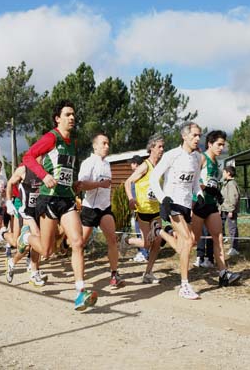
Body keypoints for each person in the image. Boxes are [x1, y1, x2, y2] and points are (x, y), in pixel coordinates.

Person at [22, 99, 97, 311]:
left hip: (66, 197)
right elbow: (28, 157)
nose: (72, 118)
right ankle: (26, 237)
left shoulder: (72, 142)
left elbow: (65, 169)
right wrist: (44, 175)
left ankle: (80, 293)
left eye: (73, 114)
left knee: (77, 241)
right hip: (49, 198)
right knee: (47, 251)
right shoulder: (51, 137)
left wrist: (72, 182)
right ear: (58, 118)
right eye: (67, 114)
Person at [149, 122, 205, 299]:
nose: (197, 139)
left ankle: (160, 232)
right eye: (194, 135)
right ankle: (185, 285)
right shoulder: (172, 155)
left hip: (187, 205)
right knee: (188, 241)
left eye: (199, 136)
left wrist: (200, 194)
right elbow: (153, 178)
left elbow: (195, 182)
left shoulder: (197, 158)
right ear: (184, 136)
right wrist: (163, 199)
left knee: (188, 244)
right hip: (172, 204)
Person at [191, 130, 241, 287]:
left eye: (223, 145)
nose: (221, 148)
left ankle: (223, 274)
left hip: (211, 206)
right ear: (209, 144)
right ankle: (168, 234)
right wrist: (206, 188)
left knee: (218, 237)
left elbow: (212, 182)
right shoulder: (201, 158)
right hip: (198, 204)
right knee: (192, 240)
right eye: (219, 144)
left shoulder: (216, 164)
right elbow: (192, 180)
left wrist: (217, 192)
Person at [78, 132, 124, 289]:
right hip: (90, 208)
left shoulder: (107, 164)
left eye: (108, 143)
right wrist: (99, 184)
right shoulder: (88, 162)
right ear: (95, 145)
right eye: (104, 143)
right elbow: (81, 184)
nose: (107, 146)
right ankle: (79, 278)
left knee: (112, 239)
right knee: (79, 244)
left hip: (105, 208)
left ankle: (114, 274)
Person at [124, 135, 165, 284]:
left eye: (163, 147)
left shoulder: (160, 167)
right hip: (143, 211)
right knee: (147, 244)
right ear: (151, 148)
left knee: (157, 241)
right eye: (159, 146)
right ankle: (127, 240)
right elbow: (128, 182)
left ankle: (148, 273)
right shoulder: (145, 166)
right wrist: (131, 199)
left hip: (155, 211)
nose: (162, 149)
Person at [4, 159, 46, 287]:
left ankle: (12, 262)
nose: (43, 158)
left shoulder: (46, 169)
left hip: (38, 210)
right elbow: (10, 183)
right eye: (41, 154)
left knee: (29, 246)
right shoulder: (24, 169)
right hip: (24, 210)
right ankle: (34, 272)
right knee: (37, 235)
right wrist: (8, 201)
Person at [220, 165, 240, 256]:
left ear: (228, 173)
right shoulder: (226, 183)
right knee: (221, 226)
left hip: (229, 210)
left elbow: (234, 197)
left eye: (224, 172)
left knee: (232, 228)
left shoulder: (231, 184)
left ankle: (234, 248)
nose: (222, 174)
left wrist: (231, 210)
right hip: (224, 209)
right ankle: (224, 243)